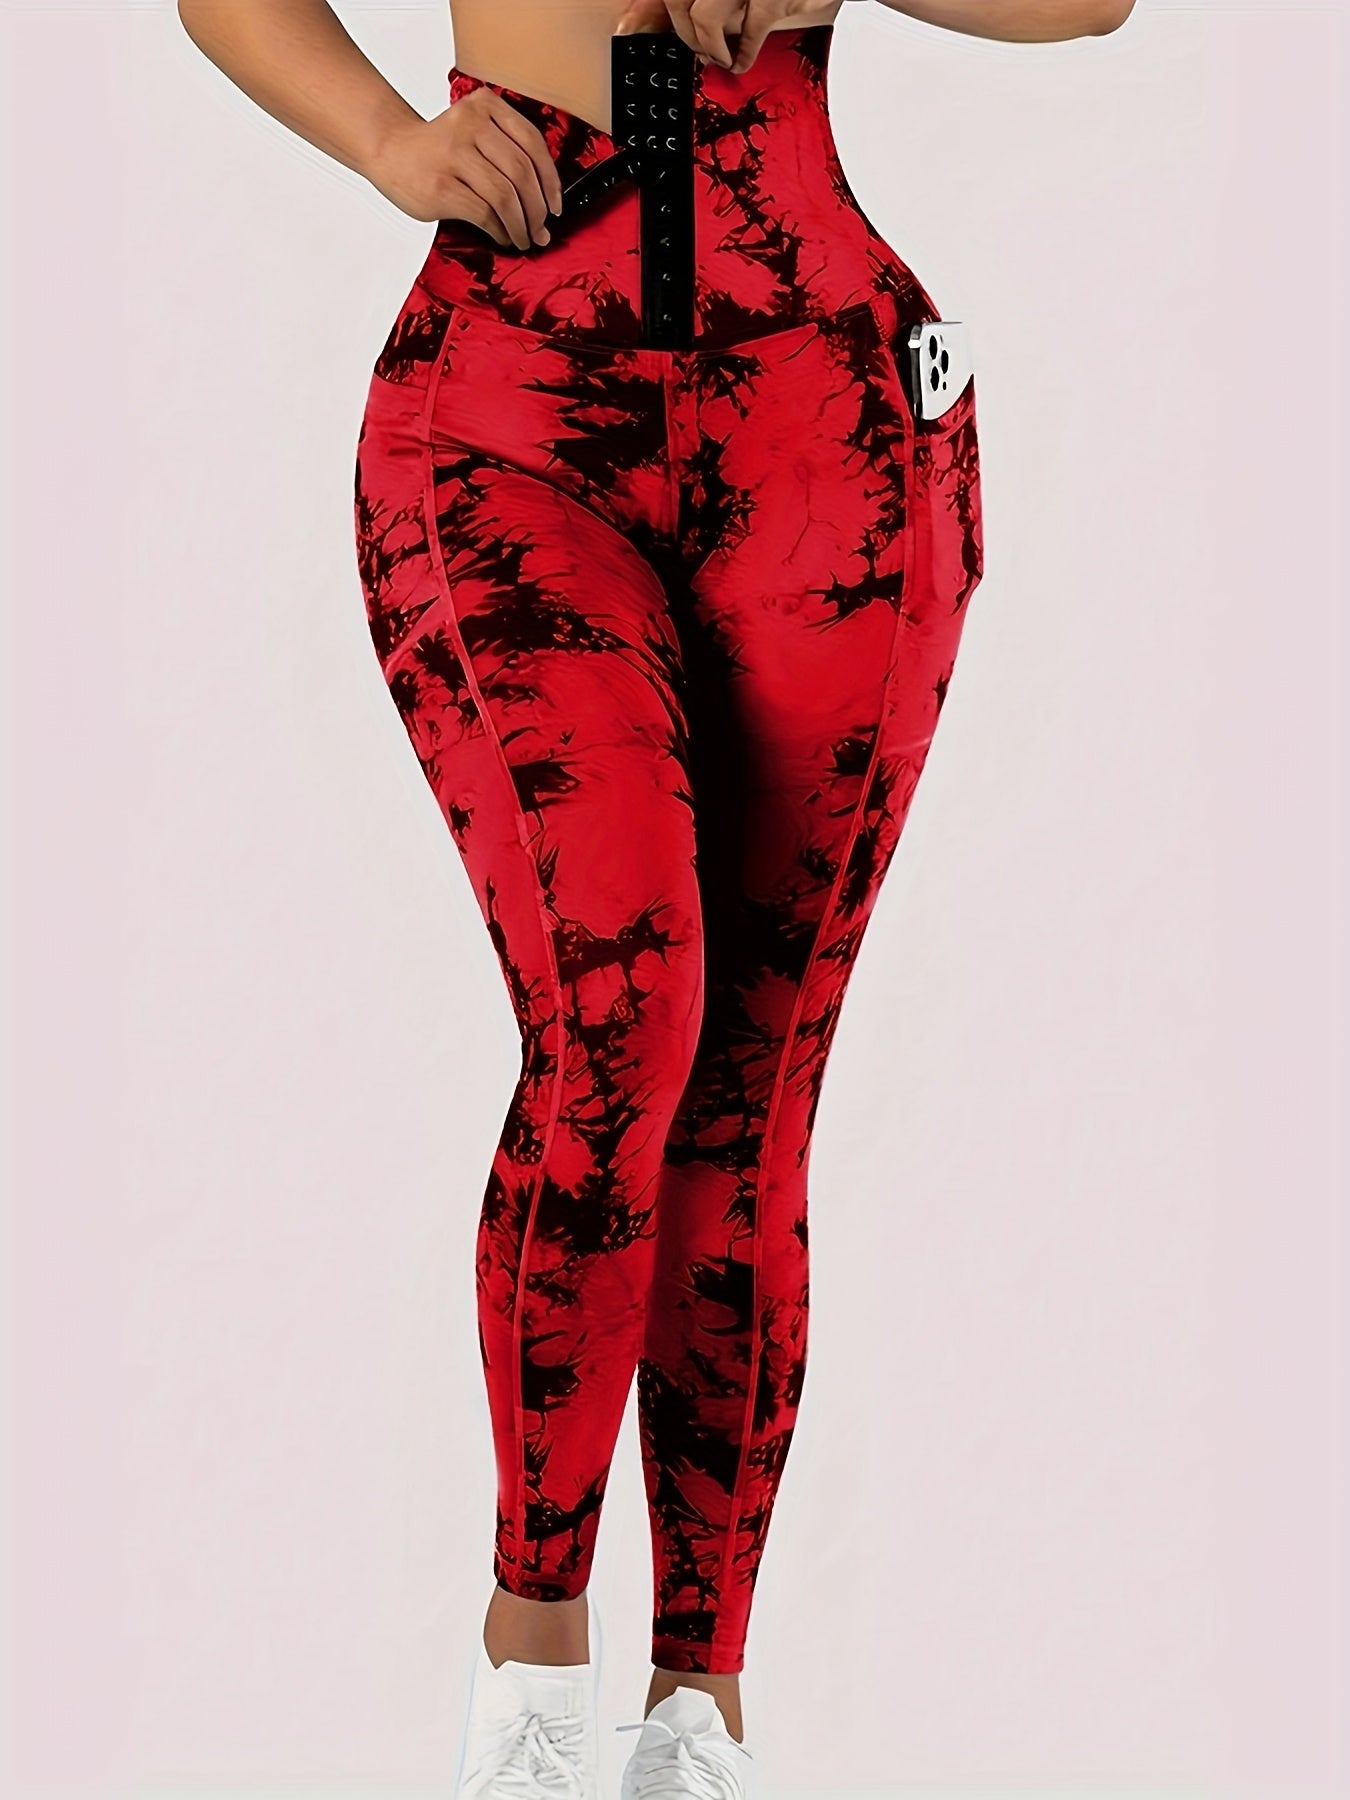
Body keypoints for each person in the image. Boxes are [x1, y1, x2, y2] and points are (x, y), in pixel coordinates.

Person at [175, 2, 1136, 1795]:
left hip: (827, 418)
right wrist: (387, 143)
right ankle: (532, 1663)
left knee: (751, 1088)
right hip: (511, 415)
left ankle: (698, 1707)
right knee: (622, 1007)